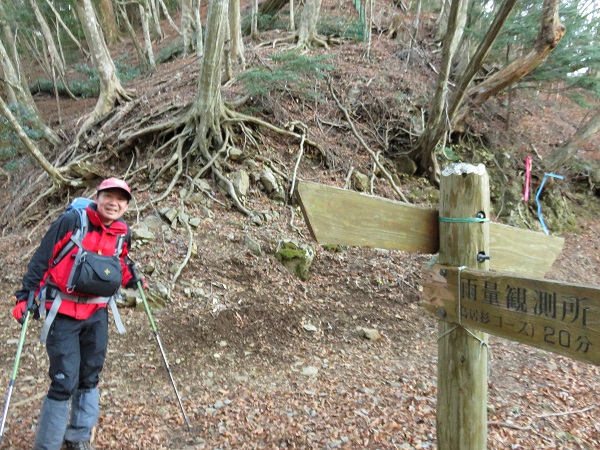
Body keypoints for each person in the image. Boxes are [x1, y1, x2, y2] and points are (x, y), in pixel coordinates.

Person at [12, 177, 142, 450]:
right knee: (64, 379)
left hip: (97, 312)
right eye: (109, 196)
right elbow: (41, 260)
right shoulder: (71, 222)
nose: (113, 203)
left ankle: (79, 437)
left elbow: (120, 260)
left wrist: (131, 278)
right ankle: (48, 444)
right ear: (98, 197)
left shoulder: (122, 232)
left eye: (120, 199)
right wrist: (25, 297)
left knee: (90, 375)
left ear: (126, 205)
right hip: (63, 312)